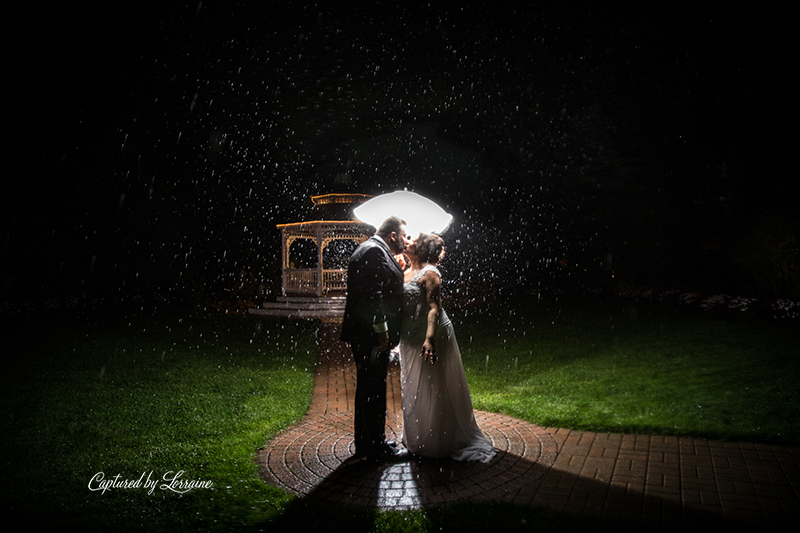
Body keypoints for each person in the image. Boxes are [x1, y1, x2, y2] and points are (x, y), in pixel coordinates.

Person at [398, 233, 496, 463]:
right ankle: (419, 435)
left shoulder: (430, 273)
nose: (407, 242)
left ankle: (440, 439)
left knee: (435, 386)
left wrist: (429, 339)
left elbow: (434, 308)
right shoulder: (404, 270)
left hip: (432, 334)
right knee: (414, 384)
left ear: (421, 250)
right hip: (410, 337)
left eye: (412, 241)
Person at [341, 216, 411, 462]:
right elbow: (374, 296)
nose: (406, 240)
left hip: (364, 333)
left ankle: (368, 442)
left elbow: (381, 285)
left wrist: (397, 268)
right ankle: (374, 448)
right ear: (393, 235)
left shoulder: (372, 249)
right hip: (371, 336)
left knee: (370, 389)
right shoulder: (374, 252)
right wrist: (382, 334)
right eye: (405, 235)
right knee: (373, 391)